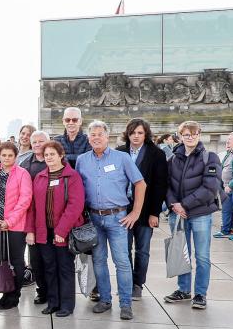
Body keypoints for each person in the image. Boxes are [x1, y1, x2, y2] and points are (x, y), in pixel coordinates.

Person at [76, 120, 146, 321]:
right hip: (94, 219)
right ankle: (105, 299)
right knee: (98, 261)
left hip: (118, 219)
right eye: (92, 134)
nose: (96, 137)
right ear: (88, 138)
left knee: (122, 262)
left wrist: (136, 213)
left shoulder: (122, 158)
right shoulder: (82, 160)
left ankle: (125, 304)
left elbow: (140, 184)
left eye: (100, 134)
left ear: (108, 137)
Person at [164, 121, 222, 310]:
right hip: (177, 214)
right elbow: (166, 186)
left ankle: (200, 293)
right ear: (180, 136)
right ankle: (183, 289)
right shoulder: (172, 158)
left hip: (200, 214)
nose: (190, 137)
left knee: (202, 256)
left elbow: (211, 188)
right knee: (182, 253)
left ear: (199, 134)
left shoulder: (209, 157)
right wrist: (174, 204)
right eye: (186, 134)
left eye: (194, 133)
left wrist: (185, 205)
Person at [25, 141, 85, 317]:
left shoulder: (71, 176)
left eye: (52, 154)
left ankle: (66, 305)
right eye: (46, 155)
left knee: (65, 268)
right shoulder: (40, 177)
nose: (49, 157)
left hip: (63, 232)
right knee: (49, 268)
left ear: (61, 155)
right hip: (44, 232)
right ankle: (53, 302)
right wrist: (30, 230)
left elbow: (75, 205)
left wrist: (61, 231)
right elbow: (33, 207)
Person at [114, 119, 169, 300]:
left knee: (142, 250)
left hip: (146, 211)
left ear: (145, 134)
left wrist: (155, 213)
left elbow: (160, 186)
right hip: (124, 210)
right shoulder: (119, 153)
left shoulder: (156, 154)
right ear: (127, 134)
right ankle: (127, 282)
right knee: (124, 249)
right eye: (133, 133)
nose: (136, 136)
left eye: (140, 133)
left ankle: (138, 284)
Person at [0, 142, 32, 309]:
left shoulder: (22, 174)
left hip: (15, 227)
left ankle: (14, 297)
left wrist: (9, 221)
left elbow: (25, 200)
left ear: (15, 157)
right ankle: (5, 293)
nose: (7, 158)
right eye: (4, 155)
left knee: (16, 262)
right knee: (3, 260)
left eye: (10, 155)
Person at [19, 130, 50, 305]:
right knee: (36, 259)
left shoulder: (55, 159)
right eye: (35, 142)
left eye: (41, 141)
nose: (38, 144)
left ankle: (54, 291)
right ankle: (42, 291)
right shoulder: (25, 164)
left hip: (52, 217)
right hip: (32, 217)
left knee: (51, 259)